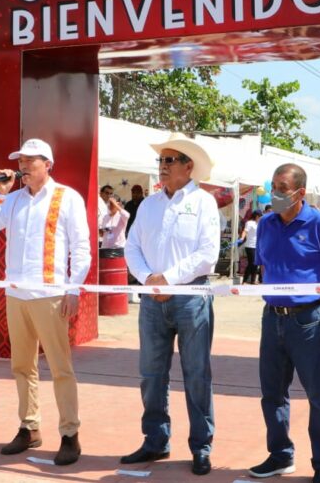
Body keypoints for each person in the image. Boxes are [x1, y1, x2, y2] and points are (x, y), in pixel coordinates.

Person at [0, 139, 91, 466]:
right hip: (16, 294)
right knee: (21, 366)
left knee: (60, 368)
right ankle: (30, 427)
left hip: (50, 294)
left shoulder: (66, 197)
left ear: (47, 164)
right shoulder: (11, 200)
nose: (23, 166)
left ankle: (70, 433)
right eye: (20, 161)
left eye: (30, 161)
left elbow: (81, 248)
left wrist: (73, 289)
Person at [122, 133, 221, 477]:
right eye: (160, 161)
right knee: (151, 374)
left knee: (196, 374)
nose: (162, 167)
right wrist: (149, 278)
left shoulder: (204, 203)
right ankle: (155, 440)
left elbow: (208, 255)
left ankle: (201, 446)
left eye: (169, 161)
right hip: (152, 300)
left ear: (187, 166)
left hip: (191, 297)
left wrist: (168, 278)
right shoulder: (149, 205)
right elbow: (131, 246)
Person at [247, 163, 320, 483]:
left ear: (300, 193)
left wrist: (315, 307)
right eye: (272, 186)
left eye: (281, 188)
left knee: (317, 394)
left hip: (307, 322)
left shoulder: (319, 224)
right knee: (272, 393)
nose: (274, 193)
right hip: (271, 319)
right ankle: (280, 455)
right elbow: (264, 269)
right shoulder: (265, 224)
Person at [240, 210, 262, 285]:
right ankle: (244, 281)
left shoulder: (258, 224)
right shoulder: (249, 223)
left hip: (257, 246)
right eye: (260, 216)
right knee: (251, 263)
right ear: (257, 216)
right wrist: (242, 238)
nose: (261, 218)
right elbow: (245, 231)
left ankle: (253, 280)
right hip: (250, 246)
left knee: (256, 263)